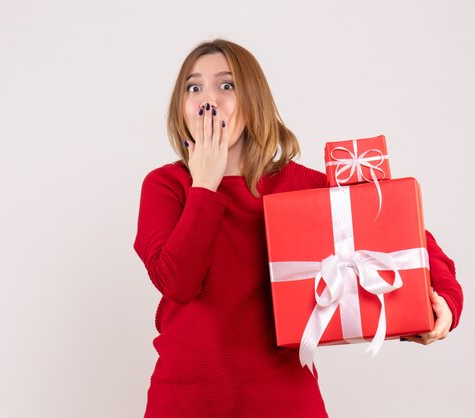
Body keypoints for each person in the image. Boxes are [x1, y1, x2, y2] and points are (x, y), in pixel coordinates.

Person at [133, 39, 463, 418]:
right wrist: (204, 186)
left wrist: (446, 305)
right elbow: (178, 283)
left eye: (226, 85)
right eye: (194, 87)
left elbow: (404, 232)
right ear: (182, 106)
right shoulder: (165, 186)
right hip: (185, 401)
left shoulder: (296, 185)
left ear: (253, 100)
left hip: (284, 399)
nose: (209, 98)